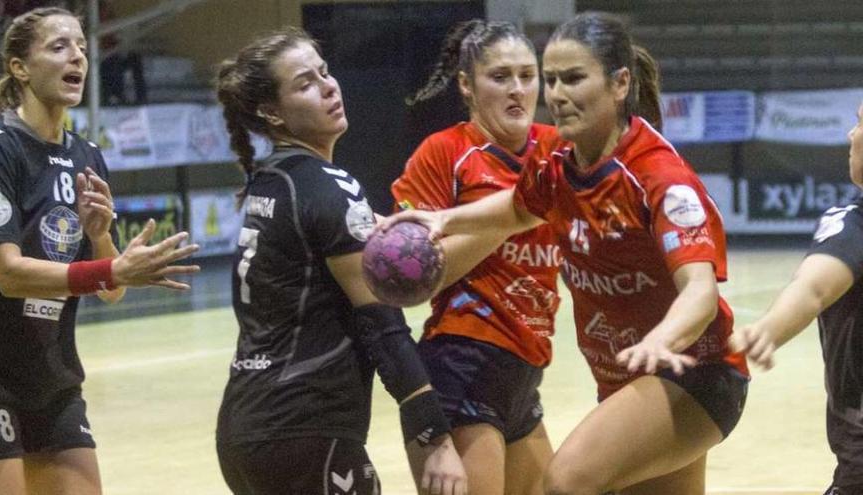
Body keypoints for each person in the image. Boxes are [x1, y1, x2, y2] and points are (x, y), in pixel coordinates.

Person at [382, 11, 750, 495]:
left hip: (691, 371)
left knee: (566, 481)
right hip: (619, 378)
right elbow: (519, 209)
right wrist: (444, 219)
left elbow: (700, 292)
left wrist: (663, 338)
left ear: (620, 84)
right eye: (551, 79)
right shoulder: (556, 161)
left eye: (573, 79)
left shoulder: (658, 176)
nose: (555, 94)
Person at [213, 28, 467, 495]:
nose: (329, 86)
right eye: (305, 83)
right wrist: (431, 432)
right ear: (272, 112)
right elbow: (383, 324)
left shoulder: (272, 182)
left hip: (246, 429)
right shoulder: (330, 185)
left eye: (325, 72)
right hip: (306, 430)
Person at [0, 7, 199, 495]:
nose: (77, 54)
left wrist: (101, 238)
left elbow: (111, 295)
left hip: (52, 378)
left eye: (81, 45)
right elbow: (8, 274)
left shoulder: (86, 155)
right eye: (58, 46)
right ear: (19, 67)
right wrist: (111, 267)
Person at [392, 19, 563, 495]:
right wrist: (515, 211)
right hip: (463, 362)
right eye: (501, 76)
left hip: (525, 369)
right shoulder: (443, 153)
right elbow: (415, 277)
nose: (518, 90)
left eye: (528, 76)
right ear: (466, 84)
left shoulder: (556, 148)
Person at [731, 103, 863, 495]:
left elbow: (813, 288)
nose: (850, 135)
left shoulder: (854, 221)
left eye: (859, 122)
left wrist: (767, 330)